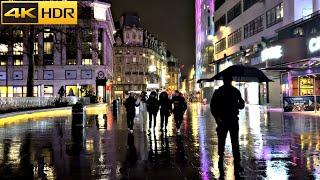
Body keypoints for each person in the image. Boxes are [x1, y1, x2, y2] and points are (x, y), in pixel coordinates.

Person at [210, 76, 245, 178]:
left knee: (222, 139)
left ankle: (221, 156)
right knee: (235, 140)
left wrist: (217, 117)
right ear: (230, 81)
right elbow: (241, 106)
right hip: (233, 120)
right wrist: (241, 103)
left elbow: (213, 106)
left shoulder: (218, 91)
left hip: (223, 120)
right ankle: (237, 160)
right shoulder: (236, 91)